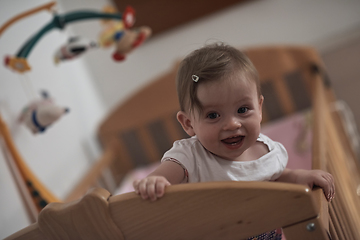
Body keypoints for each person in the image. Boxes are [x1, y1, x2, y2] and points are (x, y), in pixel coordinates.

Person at [133, 42, 335, 239]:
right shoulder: (189, 156)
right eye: (213, 115)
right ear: (188, 123)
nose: (232, 124)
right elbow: (164, 176)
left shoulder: (265, 150)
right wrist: (155, 182)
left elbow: (276, 177)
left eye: (242, 110)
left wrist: (300, 177)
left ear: (260, 108)